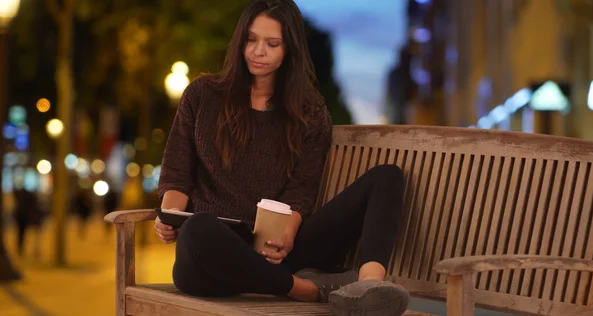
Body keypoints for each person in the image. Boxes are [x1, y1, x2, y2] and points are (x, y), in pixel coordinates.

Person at [155, 0, 409, 314]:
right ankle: (305, 289)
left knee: (387, 177)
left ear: (290, 49)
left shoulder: (310, 112)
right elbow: (177, 173)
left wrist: (286, 237)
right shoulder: (202, 95)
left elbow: (301, 191)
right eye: (250, 39)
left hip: (275, 251)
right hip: (211, 259)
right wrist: (171, 217)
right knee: (199, 229)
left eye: (272, 43)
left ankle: (368, 287)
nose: (258, 51)